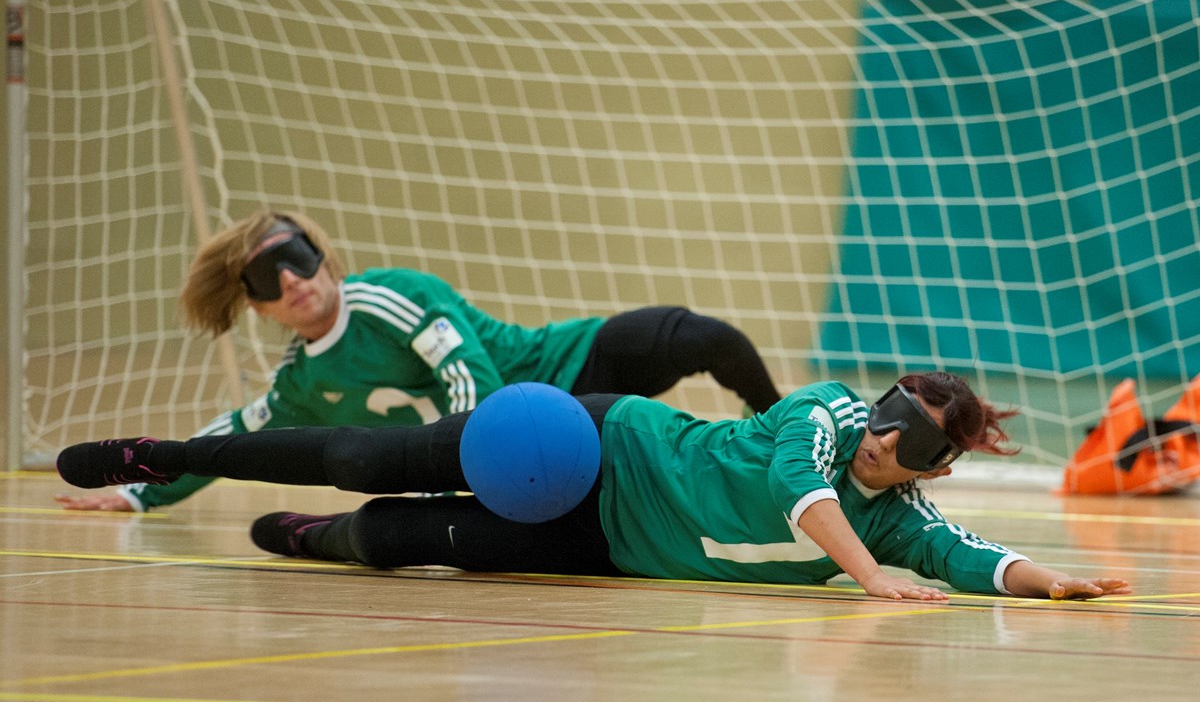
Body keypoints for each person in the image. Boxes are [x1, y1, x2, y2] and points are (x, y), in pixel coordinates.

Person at [55, 371, 1130, 601]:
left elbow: (962, 553)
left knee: (402, 541)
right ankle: (172, 454)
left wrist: (1051, 582)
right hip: (600, 446)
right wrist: (869, 580)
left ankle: (309, 539)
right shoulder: (828, 413)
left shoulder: (896, 512)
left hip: (604, 545)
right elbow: (802, 493)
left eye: (915, 452)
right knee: (364, 459)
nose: (885, 451)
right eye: (891, 427)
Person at [54, 208, 782, 513]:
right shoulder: (303, 382)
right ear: (255, 307)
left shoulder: (392, 297)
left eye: (299, 258)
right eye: (264, 280)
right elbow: (234, 437)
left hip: (567, 369)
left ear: (324, 258)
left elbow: (473, 379)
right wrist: (139, 494)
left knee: (707, 339)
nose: (293, 281)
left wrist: (472, 472)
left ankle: (782, 434)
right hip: (535, 449)